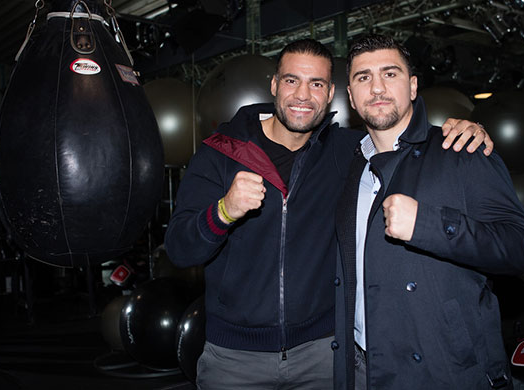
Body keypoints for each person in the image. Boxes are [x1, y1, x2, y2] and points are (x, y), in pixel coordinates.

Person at [165, 38, 492, 389]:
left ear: (333, 93)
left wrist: (459, 132)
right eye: (292, 81)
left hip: (323, 354)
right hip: (234, 359)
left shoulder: (346, 152)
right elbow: (181, 251)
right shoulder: (221, 153)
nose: (303, 95)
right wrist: (224, 212)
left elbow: (399, 138)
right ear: (274, 85)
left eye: (316, 84)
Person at [333, 34, 524, 390]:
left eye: (390, 74)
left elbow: (521, 249)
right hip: (362, 367)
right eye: (363, 77)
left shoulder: (461, 150)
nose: (377, 87)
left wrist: (428, 224)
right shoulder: (348, 166)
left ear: (413, 86)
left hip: (444, 370)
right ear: (351, 95)